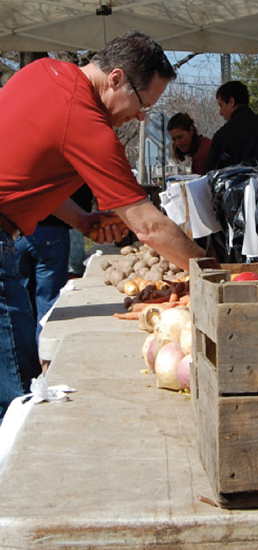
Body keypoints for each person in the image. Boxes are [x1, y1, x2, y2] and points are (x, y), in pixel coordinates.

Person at [0, 30, 204, 421]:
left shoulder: (41, 71)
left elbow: (25, 172)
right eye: (142, 102)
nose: (141, 115)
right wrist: (212, 272)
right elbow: (148, 228)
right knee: (16, 391)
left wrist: (80, 219)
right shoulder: (87, 122)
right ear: (114, 79)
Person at [15, 185, 95, 342]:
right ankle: (44, 356)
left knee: (18, 302)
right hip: (52, 231)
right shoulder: (63, 167)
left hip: (17, 231)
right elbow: (83, 199)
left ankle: (27, 359)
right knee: (48, 301)